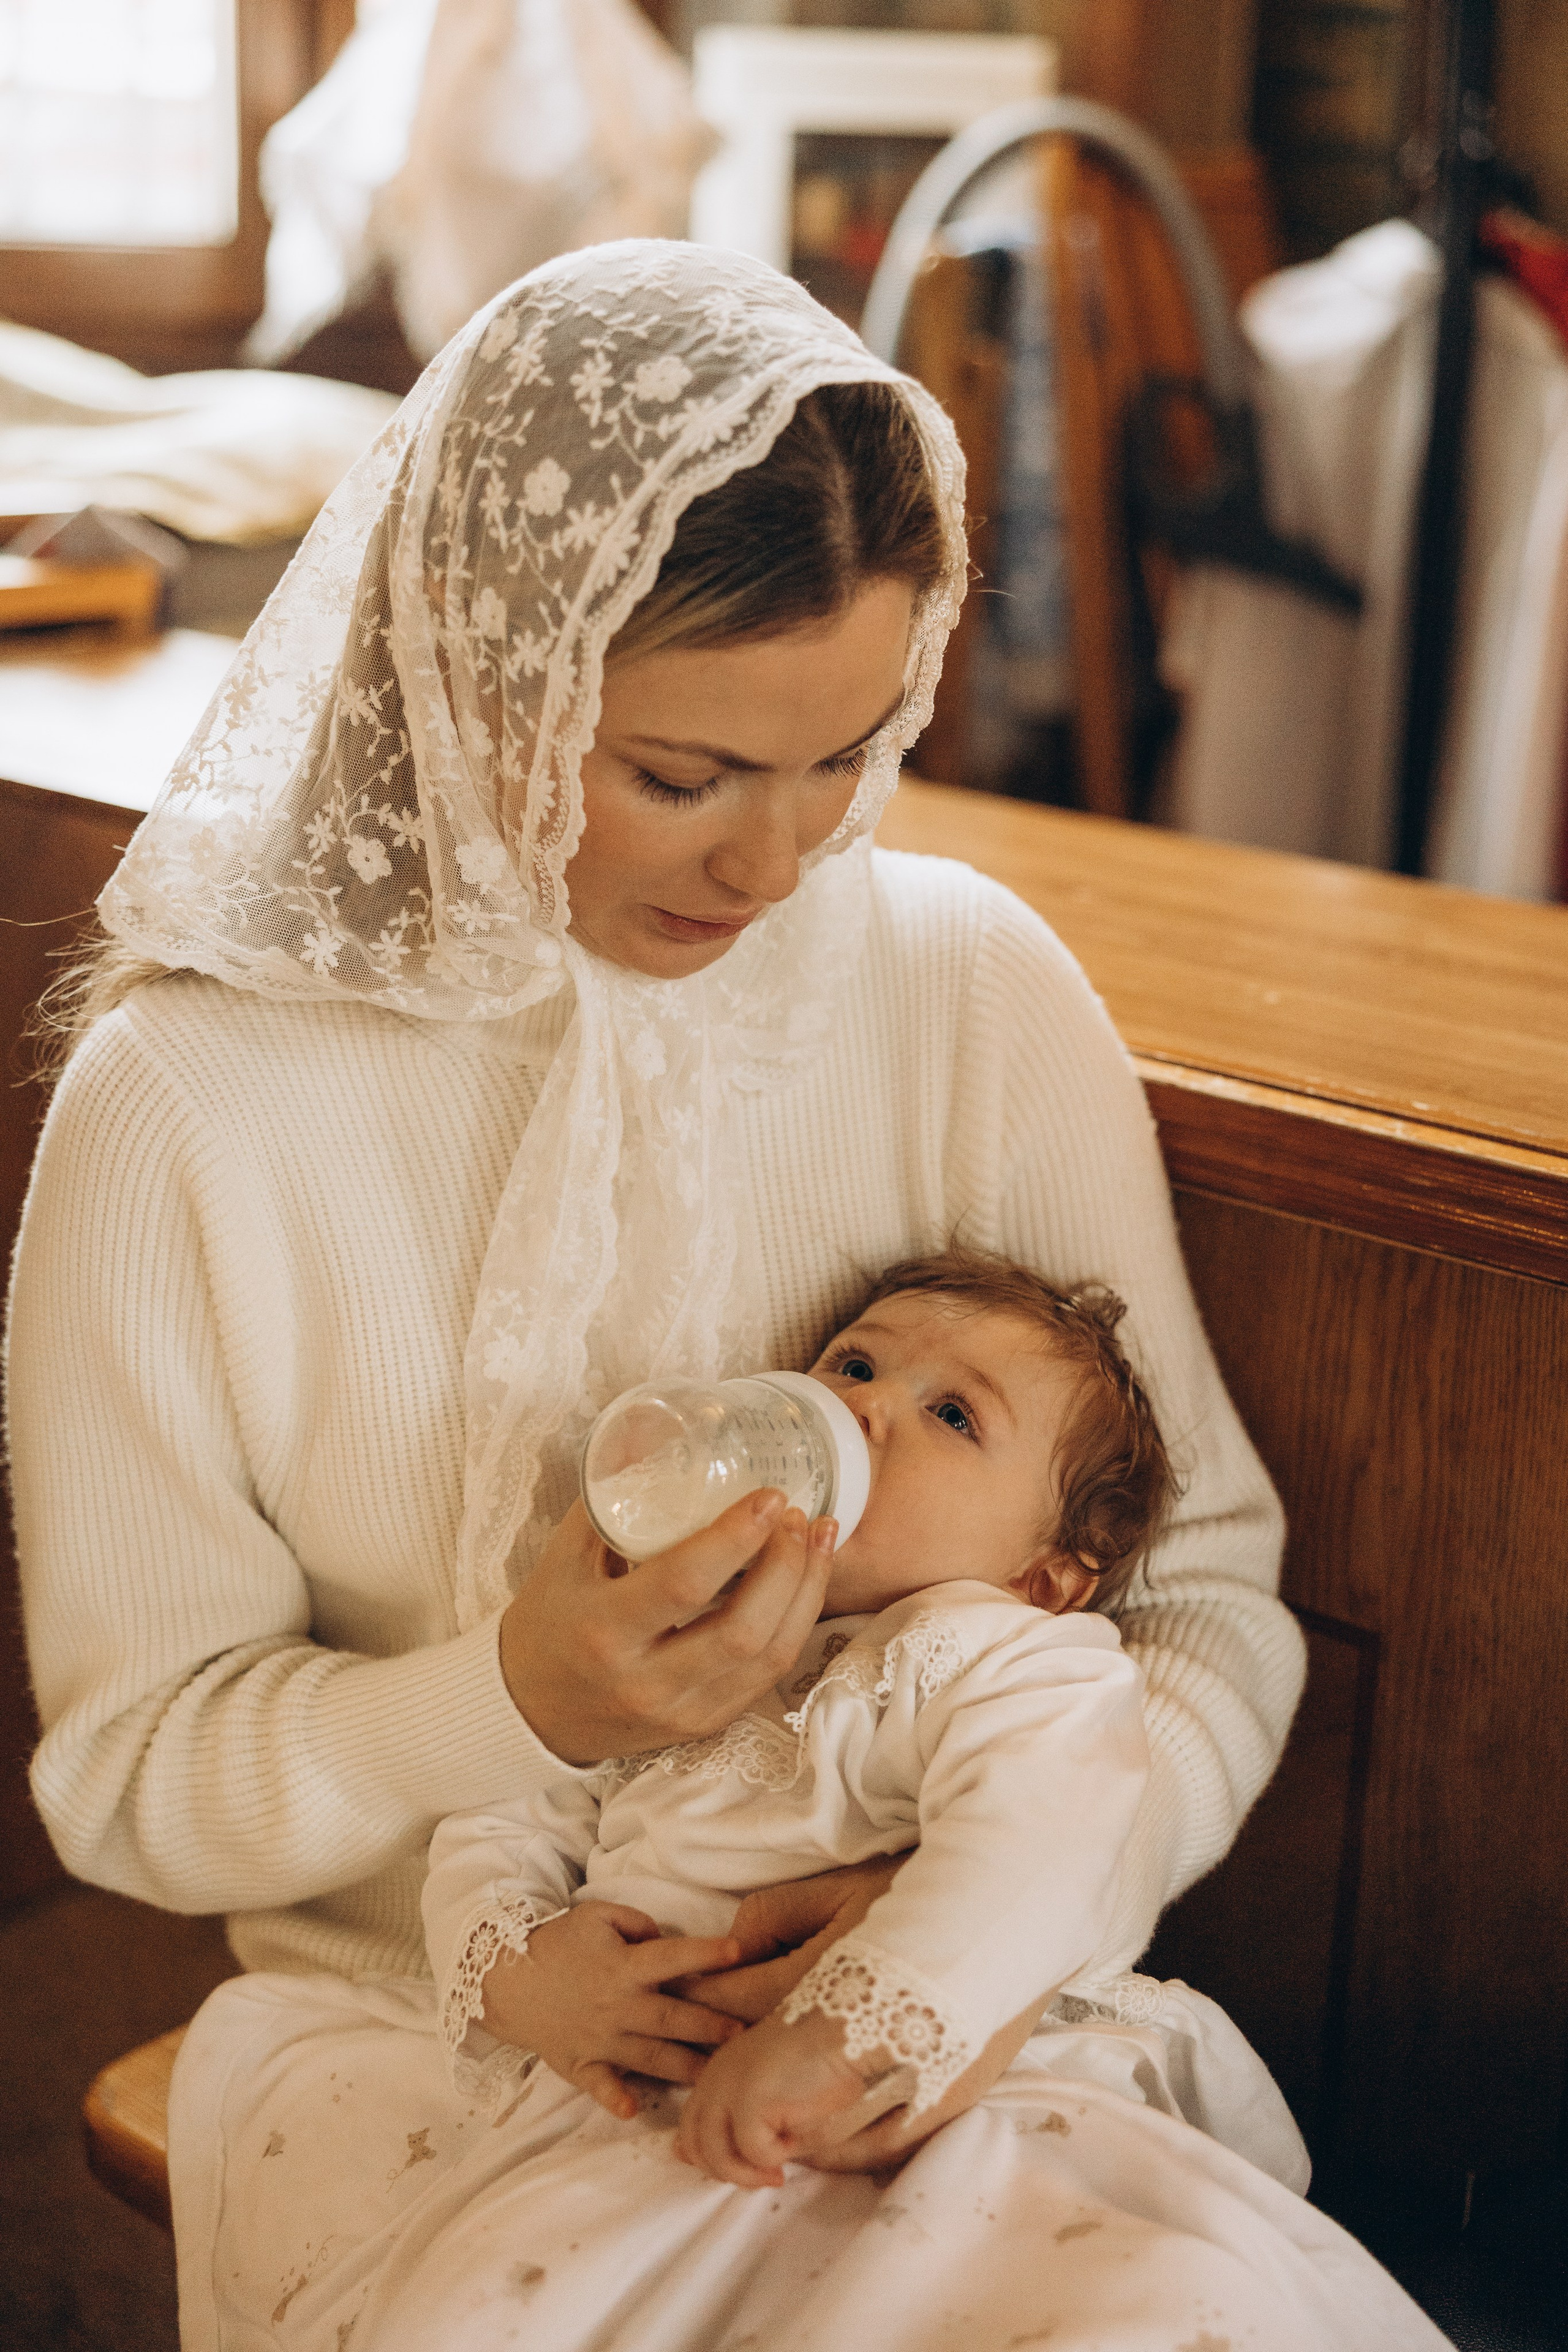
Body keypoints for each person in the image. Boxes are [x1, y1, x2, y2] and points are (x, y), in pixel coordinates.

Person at [7, 239, 1352, 2346]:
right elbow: (137, 1779)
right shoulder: (186, 1101)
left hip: (952, 2030)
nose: (777, 862)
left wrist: (954, 1943)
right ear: (475, 673)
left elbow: (1200, 1607)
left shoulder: (967, 987)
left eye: (848, 753)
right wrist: (513, 1709)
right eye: (685, 774)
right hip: (424, 2032)